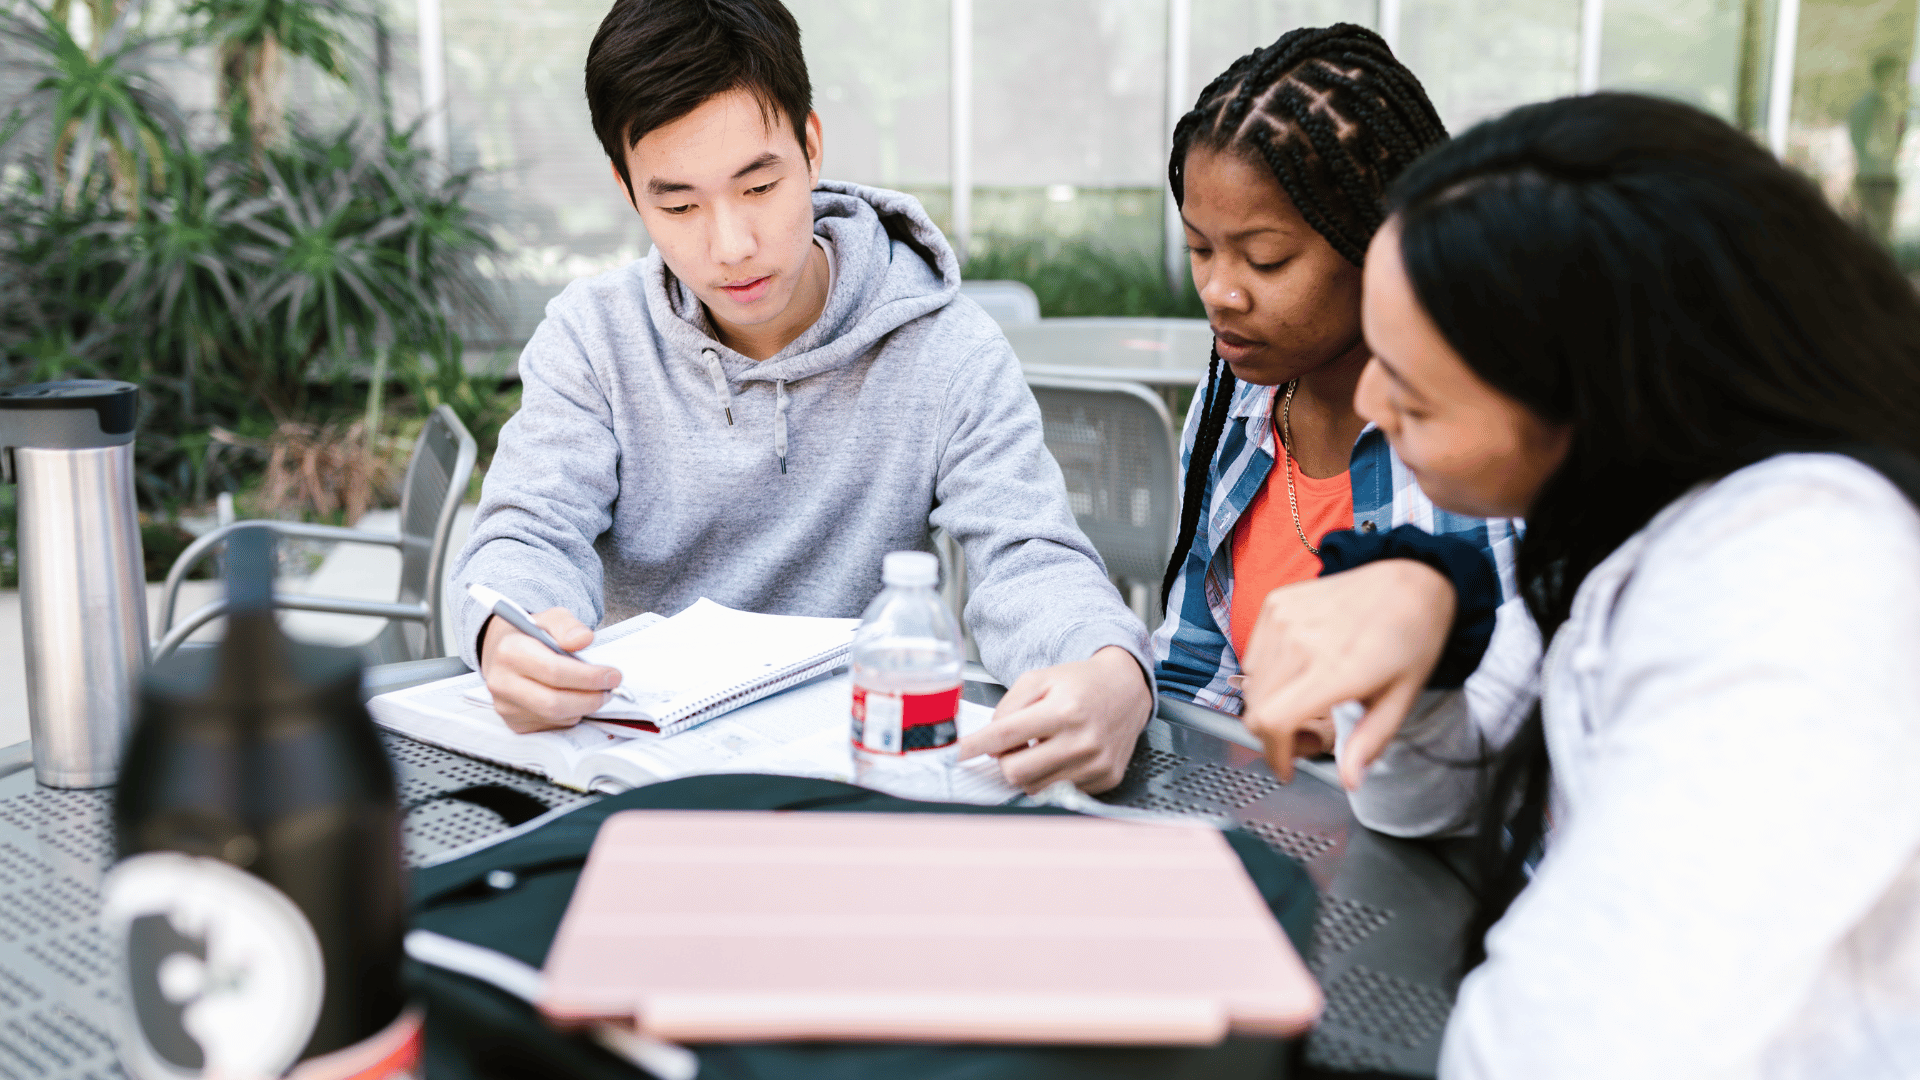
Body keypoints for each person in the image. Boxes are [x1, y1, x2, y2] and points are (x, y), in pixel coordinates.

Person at [1239, 93, 1920, 1078]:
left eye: (1412, 387)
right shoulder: (1629, 523)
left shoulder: (1805, 580)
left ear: (1601, 396)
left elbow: (1572, 1041)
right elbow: (1421, 800)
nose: (1375, 404)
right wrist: (1432, 618)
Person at [451, 0, 1153, 793]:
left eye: (758, 186)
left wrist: (1110, 667)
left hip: (859, 775)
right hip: (639, 778)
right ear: (628, 191)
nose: (731, 246)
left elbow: (1028, 556)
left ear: (811, 146)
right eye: (678, 206)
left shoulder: (945, 347)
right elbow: (527, 534)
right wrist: (509, 639)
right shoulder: (593, 339)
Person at [1151, 24, 1519, 759]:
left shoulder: (1486, 435)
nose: (1219, 292)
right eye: (1199, 248)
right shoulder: (1237, 394)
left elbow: (1507, 719)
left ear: (1382, 242)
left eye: (1266, 259)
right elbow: (1195, 670)